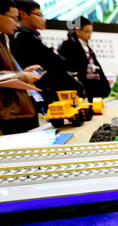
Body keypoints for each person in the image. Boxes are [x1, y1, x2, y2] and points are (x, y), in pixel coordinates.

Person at [11, 0, 84, 107]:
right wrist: (54, 55)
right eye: (39, 15)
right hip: (47, 94)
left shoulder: (31, 37)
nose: (44, 20)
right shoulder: (22, 38)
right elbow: (55, 61)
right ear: (23, 14)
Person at [0, 0, 42, 134]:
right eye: (13, 18)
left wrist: (21, 73)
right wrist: (23, 76)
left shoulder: (3, 39)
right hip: (9, 115)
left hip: (19, 112)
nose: (17, 24)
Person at [58, 16, 111, 101]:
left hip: (94, 84)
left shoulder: (86, 46)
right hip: (82, 85)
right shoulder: (68, 45)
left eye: (91, 32)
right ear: (77, 30)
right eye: (87, 32)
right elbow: (69, 67)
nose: (89, 35)